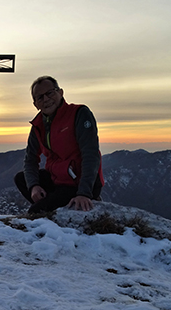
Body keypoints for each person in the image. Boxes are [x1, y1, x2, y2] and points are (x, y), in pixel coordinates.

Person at [14, 76, 104, 213]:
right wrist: (34, 186)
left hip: (78, 182)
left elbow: (90, 154)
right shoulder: (38, 125)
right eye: (40, 97)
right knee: (21, 179)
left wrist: (84, 193)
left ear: (60, 92)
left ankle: (58, 206)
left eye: (50, 93)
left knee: (35, 213)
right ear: (35, 104)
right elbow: (30, 159)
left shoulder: (79, 114)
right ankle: (53, 206)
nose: (46, 99)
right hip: (58, 180)